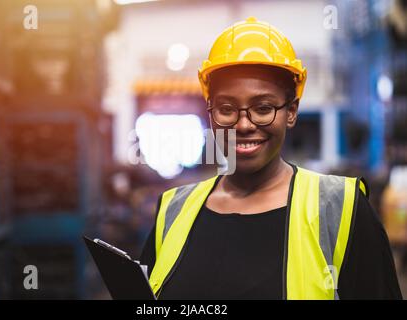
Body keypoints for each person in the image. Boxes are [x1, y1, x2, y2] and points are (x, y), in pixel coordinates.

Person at [139, 17, 402, 300]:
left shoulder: (341, 209)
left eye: (263, 108)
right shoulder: (173, 210)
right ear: (210, 111)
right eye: (226, 108)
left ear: (291, 111)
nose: (243, 125)